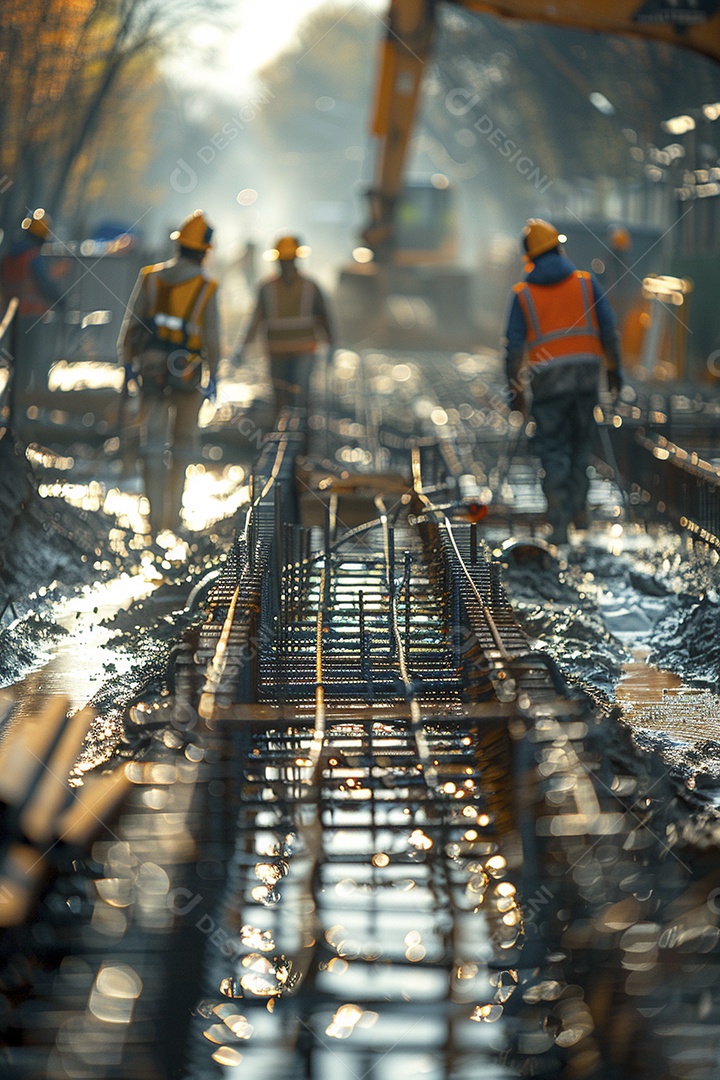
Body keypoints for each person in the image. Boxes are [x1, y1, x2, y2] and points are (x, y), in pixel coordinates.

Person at [502, 218, 623, 545]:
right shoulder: (586, 283)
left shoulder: (523, 294)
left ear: (530, 256)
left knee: (554, 449)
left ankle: (558, 524)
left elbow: (514, 349)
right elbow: (609, 331)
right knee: (581, 446)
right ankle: (580, 515)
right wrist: (614, 371)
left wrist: (516, 392)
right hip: (586, 379)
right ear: (558, 246)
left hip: (549, 383)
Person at [117, 210, 220, 536]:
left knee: (151, 444)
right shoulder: (206, 287)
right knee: (183, 446)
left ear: (179, 246)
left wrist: (127, 363)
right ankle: (172, 522)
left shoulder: (151, 277)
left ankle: (153, 519)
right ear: (204, 251)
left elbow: (131, 325)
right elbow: (213, 339)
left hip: (151, 370)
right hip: (188, 373)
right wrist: (215, 376)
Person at [234, 235, 334, 430]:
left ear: (295, 261)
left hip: (304, 351)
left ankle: (300, 437)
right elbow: (256, 320)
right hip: (277, 351)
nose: (286, 266)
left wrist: (331, 344)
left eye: (288, 261)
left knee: (300, 395)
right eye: (283, 261)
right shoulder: (267, 288)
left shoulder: (310, 286)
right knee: (279, 397)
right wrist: (243, 348)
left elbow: (324, 317)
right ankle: (282, 434)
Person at [0, 209, 67, 397]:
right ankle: (32, 402)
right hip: (31, 317)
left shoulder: (8, 257)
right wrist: (61, 300)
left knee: (17, 363)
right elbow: (44, 285)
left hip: (9, 318)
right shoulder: (32, 257)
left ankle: (14, 403)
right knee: (35, 362)